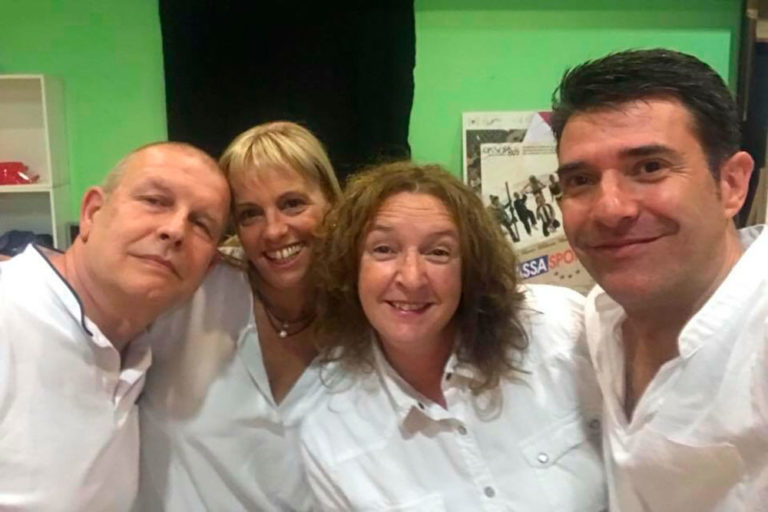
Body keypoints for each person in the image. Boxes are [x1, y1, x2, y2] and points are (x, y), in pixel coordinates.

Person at [301, 162, 605, 511]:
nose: (412, 278)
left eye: (438, 252)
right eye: (384, 249)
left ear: (470, 268)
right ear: (351, 267)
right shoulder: (329, 434)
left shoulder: (560, 327)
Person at [551, 48, 761, 511]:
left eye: (649, 168)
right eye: (581, 180)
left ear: (731, 184)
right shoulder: (598, 318)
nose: (611, 209)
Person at [0, 142, 230, 511]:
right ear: (92, 212)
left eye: (201, 224)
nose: (175, 230)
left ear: (209, 267)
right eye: (155, 201)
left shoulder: (142, 348)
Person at [135, 121, 342, 511]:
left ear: (332, 203)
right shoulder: (194, 288)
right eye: (250, 214)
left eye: (292, 203)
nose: (274, 231)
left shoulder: (367, 314)